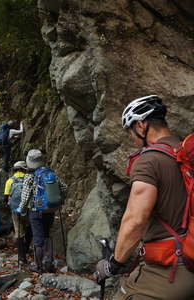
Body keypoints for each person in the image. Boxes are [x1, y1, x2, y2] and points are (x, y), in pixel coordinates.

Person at [94, 95, 194, 299]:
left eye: (130, 132)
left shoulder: (149, 161)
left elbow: (135, 219)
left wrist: (113, 265)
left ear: (141, 126)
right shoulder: (184, 153)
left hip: (171, 269)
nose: (132, 138)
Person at [17, 149, 67, 273]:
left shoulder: (30, 176)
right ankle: (49, 263)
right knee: (47, 235)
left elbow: (25, 196)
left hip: (36, 211)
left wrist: (21, 209)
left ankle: (38, 266)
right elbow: (64, 187)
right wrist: (60, 201)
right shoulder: (50, 173)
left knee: (38, 238)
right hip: (50, 210)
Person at [4, 161, 32, 265]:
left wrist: (9, 205)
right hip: (28, 207)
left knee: (18, 231)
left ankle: (21, 257)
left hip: (15, 209)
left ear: (15, 169)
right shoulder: (29, 179)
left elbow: (6, 196)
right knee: (29, 227)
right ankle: (26, 247)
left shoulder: (10, 181)